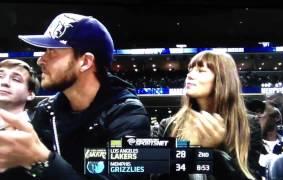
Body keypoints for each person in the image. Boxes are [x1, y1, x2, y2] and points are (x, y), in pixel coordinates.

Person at [0, 13, 150, 179]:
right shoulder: (46, 113)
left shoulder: (131, 117)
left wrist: (42, 160)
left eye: (52, 51)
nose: (40, 60)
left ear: (85, 62)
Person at [153, 50, 256, 179]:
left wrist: (215, 151)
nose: (189, 75)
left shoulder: (249, 126)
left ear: (222, 79)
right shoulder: (168, 126)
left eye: (201, 71)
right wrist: (187, 151)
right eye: (190, 70)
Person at [0, 59, 39, 129]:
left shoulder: (44, 130)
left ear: (30, 94)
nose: (4, 82)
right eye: (0, 76)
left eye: (16, 79)